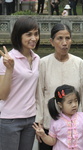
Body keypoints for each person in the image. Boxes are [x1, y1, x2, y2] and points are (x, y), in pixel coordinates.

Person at [35, 23, 83, 150]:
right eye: (60, 38)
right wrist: (39, 121)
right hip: (49, 125)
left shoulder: (78, 63)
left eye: (67, 38)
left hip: (73, 127)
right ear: (51, 42)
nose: (64, 43)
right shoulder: (43, 63)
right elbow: (39, 94)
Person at [0, 16, 40, 150]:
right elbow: (2, 95)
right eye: (29, 34)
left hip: (30, 119)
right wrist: (9, 69)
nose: (33, 38)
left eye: (36, 34)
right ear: (18, 35)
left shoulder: (37, 59)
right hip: (10, 119)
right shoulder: (6, 60)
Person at [33, 84, 83, 149]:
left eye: (76, 101)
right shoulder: (56, 121)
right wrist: (43, 135)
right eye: (70, 102)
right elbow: (52, 141)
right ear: (60, 104)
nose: (74, 105)